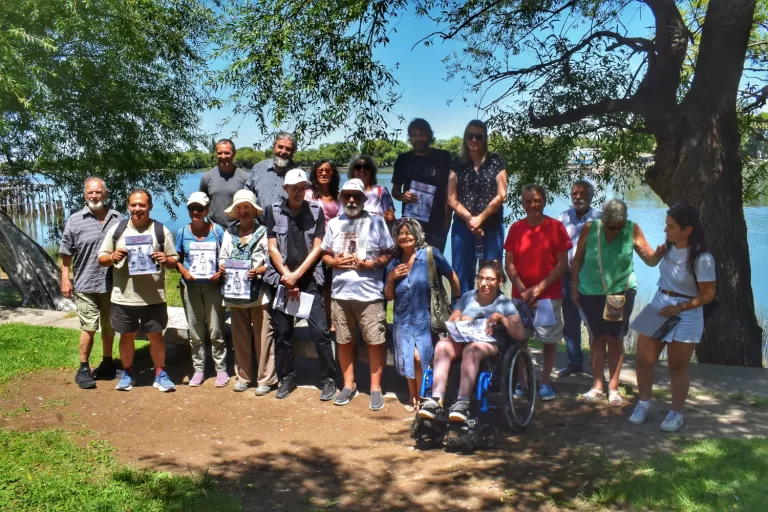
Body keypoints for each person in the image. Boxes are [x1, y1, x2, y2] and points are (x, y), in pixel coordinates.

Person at [628, 203, 716, 432]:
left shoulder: (702, 259)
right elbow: (650, 261)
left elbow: (708, 295)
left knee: (677, 367)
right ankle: (643, 403)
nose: (665, 230)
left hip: (686, 312)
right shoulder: (667, 246)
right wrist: (649, 249)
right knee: (643, 360)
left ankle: (675, 413)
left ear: (687, 230)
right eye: (666, 225)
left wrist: (682, 307)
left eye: (670, 226)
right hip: (660, 304)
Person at [571, 199, 662, 407]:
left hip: (619, 294)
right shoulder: (590, 229)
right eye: (611, 227)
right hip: (590, 292)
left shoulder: (632, 229)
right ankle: (596, 386)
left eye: (619, 227)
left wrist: (659, 253)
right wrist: (574, 288)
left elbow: (650, 260)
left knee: (614, 338)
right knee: (596, 338)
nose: (614, 231)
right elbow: (576, 260)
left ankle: (613, 387)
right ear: (604, 221)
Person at [418, 260, 524, 423]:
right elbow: (453, 318)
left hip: (488, 342)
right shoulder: (468, 297)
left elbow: (519, 333)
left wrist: (500, 318)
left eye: (489, 279)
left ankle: (462, 402)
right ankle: (436, 399)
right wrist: (460, 320)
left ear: (500, 281)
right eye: (480, 278)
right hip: (464, 336)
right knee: (442, 345)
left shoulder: (504, 303)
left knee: (472, 350)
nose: (483, 283)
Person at [322, 179, 395, 410]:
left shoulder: (377, 222)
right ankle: (348, 385)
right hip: (341, 294)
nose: (351, 200)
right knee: (344, 341)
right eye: (347, 196)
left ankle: (375, 388)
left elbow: (389, 253)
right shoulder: (333, 224)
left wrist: (372, 264)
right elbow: (325, 253)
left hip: (370, 295)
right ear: (341, 198)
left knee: (375, 342)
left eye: (356, 196)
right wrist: (333, 261)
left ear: (364, 199)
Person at [264, 168, 337, 400]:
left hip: (309, 281)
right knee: (283, 333)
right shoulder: (273, 211)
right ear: (285, 189)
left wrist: (297, 276)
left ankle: (328, 378)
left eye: (303, 188)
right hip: (283, 281)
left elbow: (317, 247)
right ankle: (287, 376)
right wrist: (287, 276)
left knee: (321, 332)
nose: (299, 192)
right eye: (294, 188)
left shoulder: (316, 211)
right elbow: (272, 247)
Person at [97, 188, 179, 392]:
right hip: (124, 297)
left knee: (156, 337)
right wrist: (113, 256)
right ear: (128, 206)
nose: (137, 208)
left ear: (150, 206)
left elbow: (174, 259)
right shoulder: (118, 230)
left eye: (142, 205)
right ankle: (127, 373)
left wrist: (165, 259)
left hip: (153, 298)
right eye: (133, 204)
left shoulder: (160, 230)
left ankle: (160, 373)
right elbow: (101, 258)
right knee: (126, 337)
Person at [385, 218, 460, 412]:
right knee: (409, 359)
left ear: (416, 235)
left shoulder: (430, 255)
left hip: (425, 318)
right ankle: (414, 398)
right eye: (400, 233)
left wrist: (457, 304)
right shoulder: (394, 262)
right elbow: (389, 297)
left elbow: (452, 276)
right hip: (402, 320)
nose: (404, 236)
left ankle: (425, 397)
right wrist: (391, 278)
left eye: (408, 233)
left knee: (421, 358)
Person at [504, 184, 570, 402]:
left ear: (544, 201)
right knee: (520, 340)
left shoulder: (556, 227)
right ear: (522, 203)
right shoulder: (515, 228)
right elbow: (509, 264)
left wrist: (539, 288)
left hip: (547, 297)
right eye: (528, 201)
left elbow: (562, 264)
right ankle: (523, 383)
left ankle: (545, 384)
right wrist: (523, 290)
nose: (533, 205)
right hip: (521, 297)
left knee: (548, 341)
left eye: (537, 200)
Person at [60, 177, 123, 389]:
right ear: (85, 195)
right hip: (86, 284)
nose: (94, 196)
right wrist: (65, 280)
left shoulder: (118, 218)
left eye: (97, 192)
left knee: (109, 325)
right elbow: (66, 253)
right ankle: (84, 368)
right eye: (90, 193)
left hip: (112, 284)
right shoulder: (75, 220)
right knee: (88, 327)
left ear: (105, 194)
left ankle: (107, 362)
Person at [218, 190, 277, 395]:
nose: (243, 211)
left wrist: (260, 270)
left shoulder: (265, 232)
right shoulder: (229, 233)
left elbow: (273, 261)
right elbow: (222, 257)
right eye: (239, 208)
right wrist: (223, 266)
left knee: (264, 337)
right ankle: (243, 376)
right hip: (235, 294)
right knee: (239, 337)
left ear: (254, 211)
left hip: (259, 294)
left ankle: (266, 379)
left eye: (247, 207)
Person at [448, 120, 508, 294]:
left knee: (491, 272)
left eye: (478, 136)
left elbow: (501, 194)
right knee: (461, 273)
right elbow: (451, 199)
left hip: (492, 226)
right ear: (465, 138)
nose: (474, 140)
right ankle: (461, 316)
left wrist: (480, 219)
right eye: (470, 136)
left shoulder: (495, 161)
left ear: (485, 139)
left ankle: (491, 315)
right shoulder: (457, 163)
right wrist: (470, 219)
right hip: (462, 226)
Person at [175, 192, 228, 388]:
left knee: (216, 329)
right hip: (190, 287)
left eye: (200, 208)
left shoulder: (218, 231)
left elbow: (226, 257)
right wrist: (183, 270)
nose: (195, 212)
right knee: (195, 330)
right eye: (192, 208)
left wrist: (221, 271)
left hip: (213, 287)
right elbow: (176, 259)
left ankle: (221, 368)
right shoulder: (182, 232)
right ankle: (198, 369)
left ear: (207, 210)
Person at [557, 180, 602, 377]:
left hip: (592, 279)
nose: (577, 197)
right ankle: (575, 362)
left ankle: (596, 366)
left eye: (581, 193)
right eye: (574, 193)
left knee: (593, 324)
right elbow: (557, 247)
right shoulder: (563, 217)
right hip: (567, 278)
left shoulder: (600, 218)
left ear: (590, 196)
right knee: (571, 324)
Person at [391, 118, 453, 251]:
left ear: (429, 136)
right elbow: (395, 191)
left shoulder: (443, 157)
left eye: (421, 134)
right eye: (413, 135)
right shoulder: (403, 159)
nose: (418, 139)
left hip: (437, 225)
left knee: (433, 265)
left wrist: (447, 223)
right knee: (411, 263)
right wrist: (402, 196)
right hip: (411, 224)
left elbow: (449, 193)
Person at [306, 160, 342, 331]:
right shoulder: (309, 194)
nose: (323, 173)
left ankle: (335, 320)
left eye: (327, 170)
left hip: (335, 246)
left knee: (333, 284)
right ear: (315, 173)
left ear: (333, 173)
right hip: (315, 246)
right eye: (320, 170)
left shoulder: (339, 195)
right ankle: (323, 320)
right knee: (319, 285)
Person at [199, 139, 251, 227]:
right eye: (220, 153)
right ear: (216, 154)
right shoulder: (207, 177)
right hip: (213, 230)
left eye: (227, 153)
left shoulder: (245, 178)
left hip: (238, 230)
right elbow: (201, 205)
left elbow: (251, 207)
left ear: (234, 153)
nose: (223, 156)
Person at [245, 132, 297, 213]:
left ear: (293, 152)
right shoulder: (258, 168)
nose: (283, 151)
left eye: (288, 149)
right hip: (259, 224)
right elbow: (247, 194)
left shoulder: (298, 174)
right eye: (280, 147)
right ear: (273, 148)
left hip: (286, 224)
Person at [347, 154, 395, 223]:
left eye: (366, 167)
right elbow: (340, 217)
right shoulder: (346, 192)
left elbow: (391, 218)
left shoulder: (382, 191)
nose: (362, 170)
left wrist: (375, 218)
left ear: (372, 171)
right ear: (352, 171)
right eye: (358, 167)